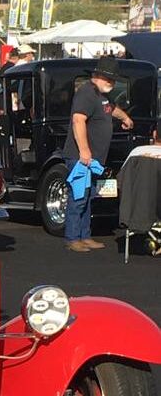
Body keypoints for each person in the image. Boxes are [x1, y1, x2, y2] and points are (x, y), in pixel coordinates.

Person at [62, 55, 133, 252]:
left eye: (113, 79)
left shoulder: (102, 97)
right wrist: (84, 150)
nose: (111, 82)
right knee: (78, 196)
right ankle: (72, 238)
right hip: (81, 158)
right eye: (109, 78)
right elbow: (78, 121)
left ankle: (85, 235)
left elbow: (111, 109)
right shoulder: (86, 93)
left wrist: (125, 117)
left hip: (93, 160)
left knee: (89, 196)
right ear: (98, 76)